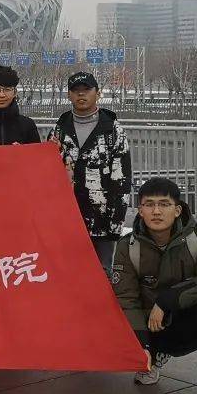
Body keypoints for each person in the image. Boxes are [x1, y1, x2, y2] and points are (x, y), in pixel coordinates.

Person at [114, 178, 197, 394]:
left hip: (185, 320)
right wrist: (142, 343)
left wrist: (166, 300)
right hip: (150, 325)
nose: (156, 211)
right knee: (108, 307)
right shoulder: (127, 246)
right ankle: (152, 357)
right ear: (140, 209)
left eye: (164, 204)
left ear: (177, 210)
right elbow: (126, 297)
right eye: (149, 204)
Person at [49, 71, 133, 273]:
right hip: (67, 218)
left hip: (102, 219)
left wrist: (115, 224)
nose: (81, 95)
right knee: (68, 272)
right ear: (69, 95)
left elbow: (121, 178)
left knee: (102, 273)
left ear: (98, 93)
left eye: (86, 90)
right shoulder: (59, 130)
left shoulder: (113, 130)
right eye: (75, 91)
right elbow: (49, 176)